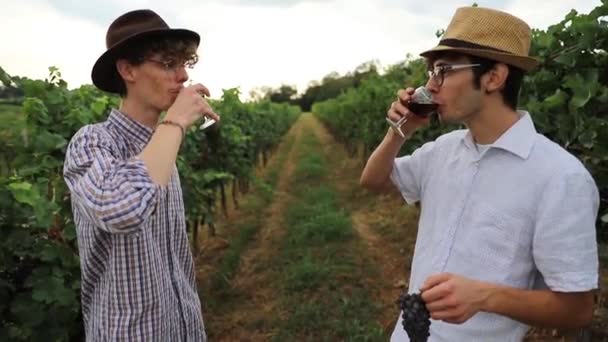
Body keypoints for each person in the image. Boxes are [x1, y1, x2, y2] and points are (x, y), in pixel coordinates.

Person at [360, 6, 599, 341]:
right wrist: (399, 131)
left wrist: (485, 296)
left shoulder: (560, 178)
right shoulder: (443, 150)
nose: (430, 85)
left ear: (493, 77)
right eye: (430, 71)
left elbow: (578, 309)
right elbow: (373, 182)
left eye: (443, 70)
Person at [63, 9, 219, 341]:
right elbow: (123, 210)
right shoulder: (92, 142)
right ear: (127, 69)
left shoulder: (162, 148)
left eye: (184, 65)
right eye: (167, 64)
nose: (181, 77)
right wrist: (175, 122)